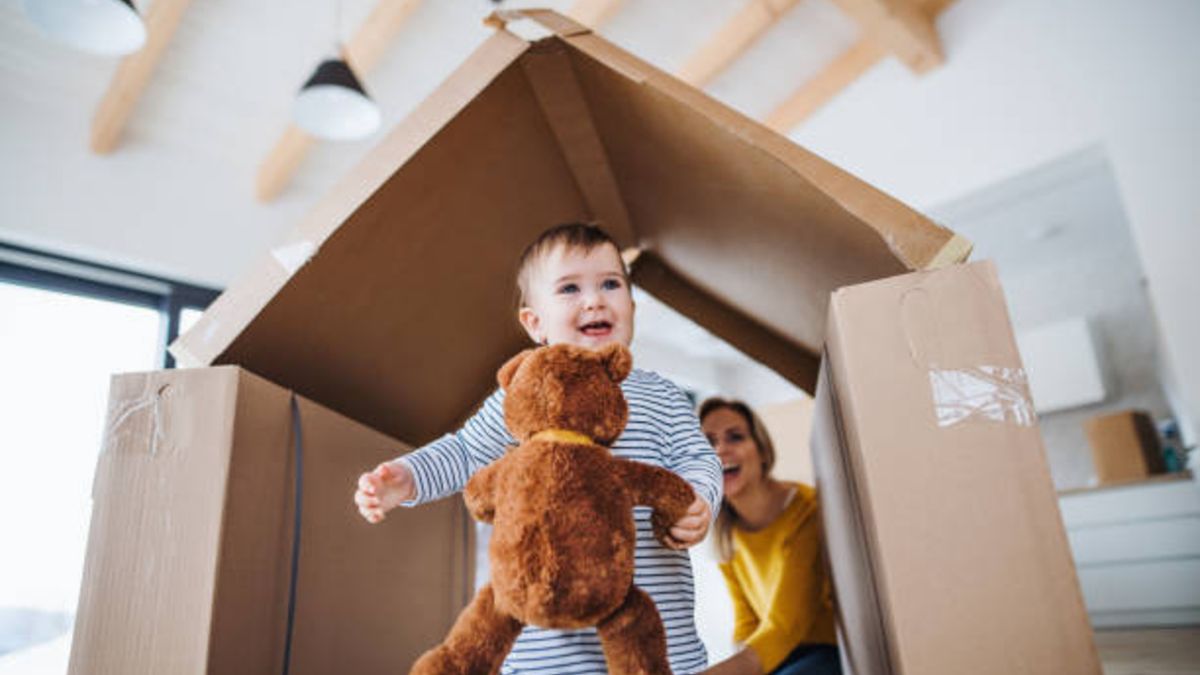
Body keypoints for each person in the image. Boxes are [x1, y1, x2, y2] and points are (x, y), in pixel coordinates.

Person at [353, 222, 723, 674]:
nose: (594, 299)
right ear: (534, 323)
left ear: (631, 305)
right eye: (570, 288)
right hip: (543, 649)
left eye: (611, 283)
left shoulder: (661, 395)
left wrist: (700, 498)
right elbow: (467, 453)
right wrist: (407, 478)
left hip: (652, 643)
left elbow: (696, 458)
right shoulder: (522, 398)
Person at [698, 398, 841, 675]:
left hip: (825, 652)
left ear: (762, 451)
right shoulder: (727, 536)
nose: (720, 450)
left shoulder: (806, 511)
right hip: (776, 656)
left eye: (735, 437)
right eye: (708, 443)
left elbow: (785, 626)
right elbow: (746, 624)